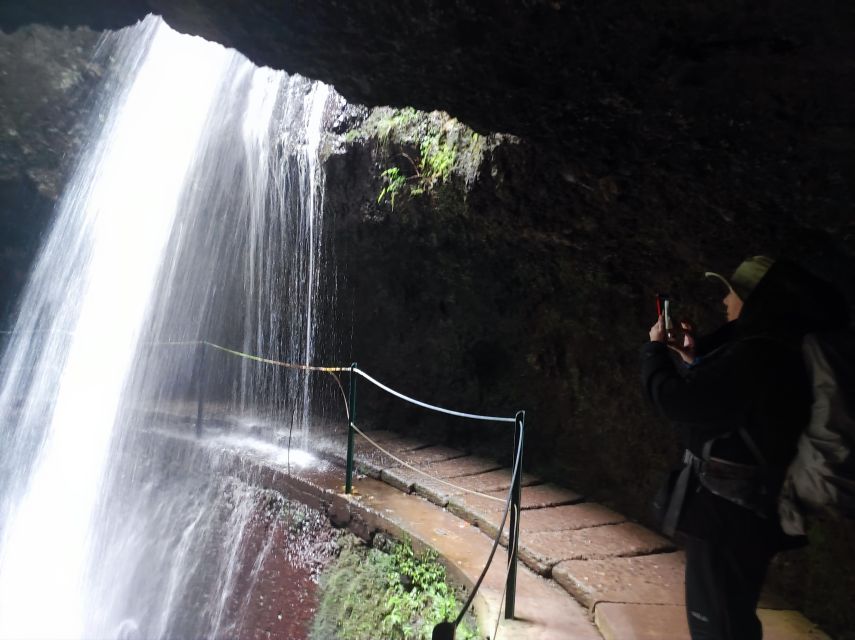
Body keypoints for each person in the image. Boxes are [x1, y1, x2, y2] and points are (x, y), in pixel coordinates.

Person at [640, 256, 849, 640]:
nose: (725, 302)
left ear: (756, 300)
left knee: (718, 624)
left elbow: (679, 402)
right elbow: (731, 406)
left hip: (728, 513)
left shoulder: (760, 354)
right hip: (747, 508)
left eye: (732, 293)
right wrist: (693, 357)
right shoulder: (778, 350)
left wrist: (654, 353)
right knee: (729, 616)